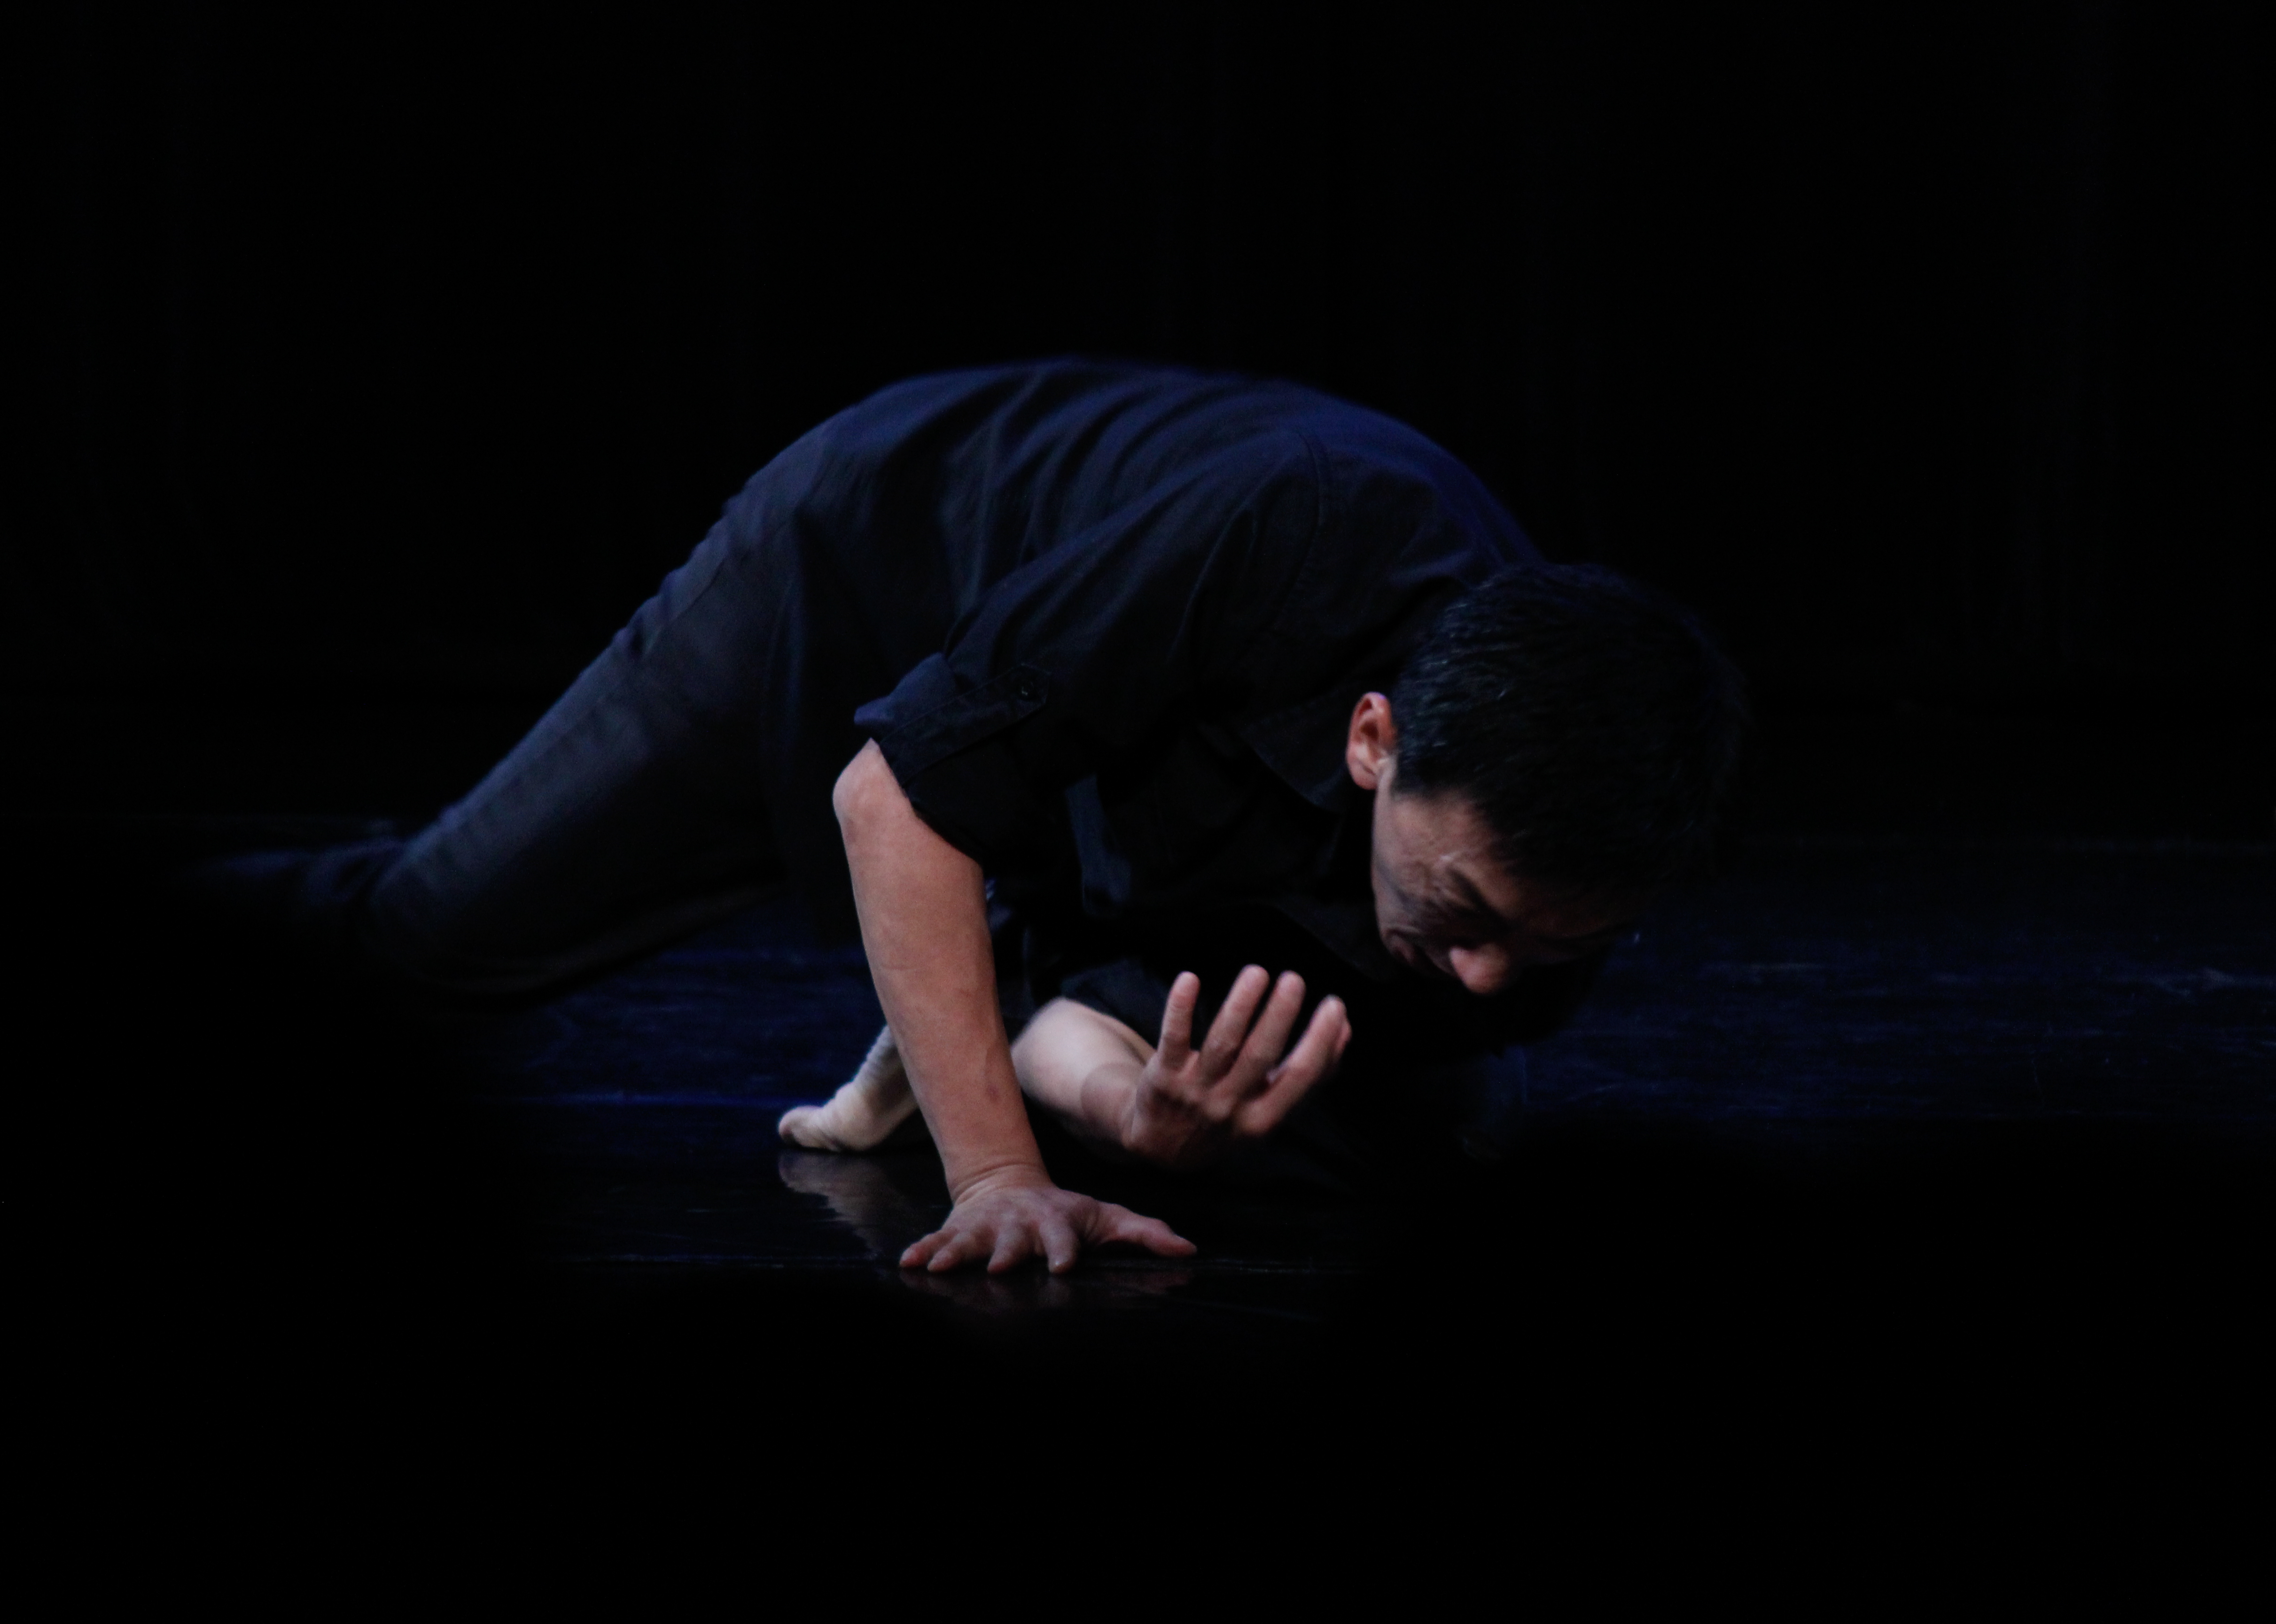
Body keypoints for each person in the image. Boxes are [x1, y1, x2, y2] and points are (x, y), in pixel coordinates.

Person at [216, 360, 1746, 1274]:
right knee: (430, 938)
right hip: (868, 573)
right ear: (1373, 742)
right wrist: (1002, 1179)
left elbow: (1080, 1019)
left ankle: (940, 1014)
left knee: (1435, 1124)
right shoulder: (1294, 529)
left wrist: (1130, 1118)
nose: (1486, 977)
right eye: (1465, 915)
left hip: (1088, 785)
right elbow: (894, 797)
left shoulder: (1534, 895)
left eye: (1547, 949)